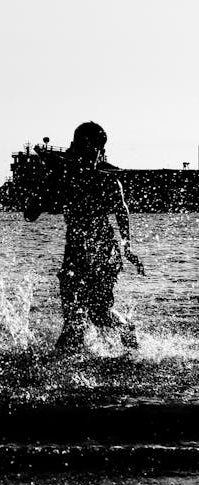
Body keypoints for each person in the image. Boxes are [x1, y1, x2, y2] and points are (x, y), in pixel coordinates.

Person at [23, 122, 145, 353]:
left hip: (104, 251)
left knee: (99, 314)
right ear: (72, 146)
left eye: (92, 149)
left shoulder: (108, 180)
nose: (85, 154)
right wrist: (49, 183)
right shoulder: (62, 176)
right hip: (76, 250)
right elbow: (30, 215)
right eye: (80, 147)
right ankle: (66, 363)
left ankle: (125, 329)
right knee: (73, 316)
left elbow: (121, 210)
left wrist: (126, 246)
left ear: (100, 152)